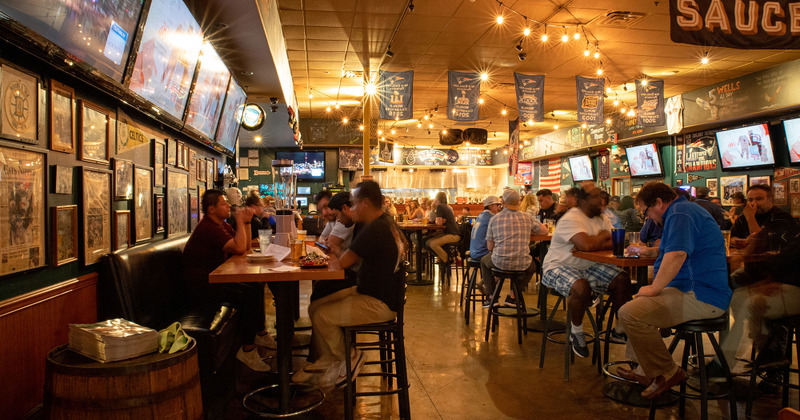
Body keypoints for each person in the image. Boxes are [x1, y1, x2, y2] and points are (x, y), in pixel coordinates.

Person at [617, 182, 731, 399]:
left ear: (659, 203)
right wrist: (649, 253)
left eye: (647, 211)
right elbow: (666, 249)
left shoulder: (681, 213)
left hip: (700, 295)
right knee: (636, 303)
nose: (648, 217)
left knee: (630, 312)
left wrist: (655, 288)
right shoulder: (680, 211)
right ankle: (645, 370)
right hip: (689, 290)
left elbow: (677, 254)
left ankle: (667, 372)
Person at [295, 180, 405, 389]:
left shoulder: (373, 229)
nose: (350, 209)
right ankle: (330, 358)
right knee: (315, 306)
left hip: (379, 302)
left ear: (364, 203)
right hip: (374, 292)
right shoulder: (385, 222)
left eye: (353, 204)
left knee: (321, 315)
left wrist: (325, 254)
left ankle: (351, 357)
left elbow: (341, 265)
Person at [183, 190, 276, 372]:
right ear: (211, 209)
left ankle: (260, 333)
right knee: (249, 294)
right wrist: (241, 221)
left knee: (255, 285)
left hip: (214, 281)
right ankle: (247, 350)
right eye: (224, 204)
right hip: (201, 287)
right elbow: (240, 246)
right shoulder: (209, 228)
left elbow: (245, 246)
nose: (229, 206)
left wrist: (247, 221)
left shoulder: (221, 225)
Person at [541, 185, 632, 358]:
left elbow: (614, 242)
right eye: (596, 196)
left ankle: (620, 330)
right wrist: (601, 237)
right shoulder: (571, 218)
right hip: (557, 266)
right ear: (582, 200)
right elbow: (586, 245)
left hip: (589, 265)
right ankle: (576, 331)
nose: (602, 200)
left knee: (622, 279)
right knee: (581, 286)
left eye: (602, 196)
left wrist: (595, 241)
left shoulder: (603, 218)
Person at [480, 190, 547, 308]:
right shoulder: (527, 217)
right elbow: (545, 231)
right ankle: (512, 297)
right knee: (532, 267)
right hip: (522, 263)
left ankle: (491, 297)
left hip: (499, 262)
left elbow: (490, 247)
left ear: (503, 202)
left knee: (484, 262)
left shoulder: (494, 219)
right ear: (519, 202)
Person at [730, 184, 794, 250]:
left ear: (770, 200)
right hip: (746, 258)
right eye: (750, 200)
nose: (753, 203)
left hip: (774, 259)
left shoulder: (782, 218)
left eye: (758, 199)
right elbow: (731, 236)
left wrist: (750, 218)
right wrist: (739, 241)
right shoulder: (744, 216)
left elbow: (761, 245)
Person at [426, 192, 461, 264]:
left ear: (437, 199)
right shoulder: (446, 206)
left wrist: (438, 220)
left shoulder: (440, 207)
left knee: (432, 244)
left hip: (453, 235)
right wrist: (439, 220)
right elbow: (440, 221)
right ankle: (445, 258)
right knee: (428, 242)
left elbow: (439, 223)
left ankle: (447, 260)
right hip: (452, 233)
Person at [469, 195, 501, 261]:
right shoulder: (492, 217)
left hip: (473, 251)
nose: (499, 208)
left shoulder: (480, 215)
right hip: (482, 253)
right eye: (497, 205)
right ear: (490, 206)